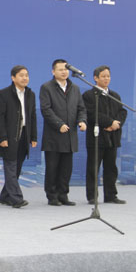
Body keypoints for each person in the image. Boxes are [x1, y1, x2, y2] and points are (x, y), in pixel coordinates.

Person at [40, 59, 87, 206]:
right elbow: (46, 109)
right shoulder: (46, 87)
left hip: (70, 136)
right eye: (60, 69)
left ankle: (63, 195)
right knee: (52, 168)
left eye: (66, 69)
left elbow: (81, 108)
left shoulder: (75, 88)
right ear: (53, 71)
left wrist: (82, 121)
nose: (64, 72)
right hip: (53, 136)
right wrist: (59, 124)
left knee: (66, 169)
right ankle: (52, 196)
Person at [82, 65, 128, 205]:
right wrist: (109, 122)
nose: (106, 79)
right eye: (103, 76)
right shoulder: (89, 95)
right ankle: (92, 196)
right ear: (95, 78)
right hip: (96, 138)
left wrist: (116, 124)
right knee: (93, 168)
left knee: (111, 168)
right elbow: (91, 114)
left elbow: (122, 112)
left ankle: (111, 195)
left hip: (112, 137)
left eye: (108, 76)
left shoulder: (115, 95)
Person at [0, 65, 37, 209]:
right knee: (10, 167)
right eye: (21, 75)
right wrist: (2, 137)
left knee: (17, 168)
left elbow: (32, 116)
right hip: (9, 136)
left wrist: (33, 137)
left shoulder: (30, 94)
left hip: (24, 135)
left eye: (27, 75)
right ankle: (17, 198)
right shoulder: (3, 94)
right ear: (13, 78)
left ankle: (5, 197)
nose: (25, 78)